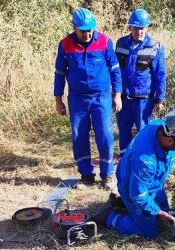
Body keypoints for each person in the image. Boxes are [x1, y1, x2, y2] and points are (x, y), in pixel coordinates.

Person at [91, 104, 175, 238]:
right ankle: (108, 217)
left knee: (164, 211)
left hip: (152, 185)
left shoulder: (162, 125)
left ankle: (123, 203)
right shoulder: (145, 161)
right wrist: (159, 214)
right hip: (134, 189)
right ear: (170, 140)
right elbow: (138, 195)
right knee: (148, 232)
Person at [54, 8, 122, 190]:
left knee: (106, 136)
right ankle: (86, 175)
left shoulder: (105, 42)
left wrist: (117, 94)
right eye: (83, 30)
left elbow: (115, 69)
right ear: (74, 28)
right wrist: (58, 100)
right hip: (77, 99)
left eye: (90, 29)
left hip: (101, 98)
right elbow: (59, 74)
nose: (87, 33)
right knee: (79, 135)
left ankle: (108, 175)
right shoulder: (65, 45)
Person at [115, 9, 166, 157]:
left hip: (144, 101)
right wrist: (115, 94)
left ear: (147, 27)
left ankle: (142, 161)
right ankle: (125, 161)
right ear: (130, 27)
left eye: (142, 28)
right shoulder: (121, 44)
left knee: (144, 134)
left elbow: (160, 75)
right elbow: (114, 70)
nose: (139, 31)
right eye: (136, 28)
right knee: (124, 132)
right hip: (123, 99)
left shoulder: (155, 46)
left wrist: (159, 99)